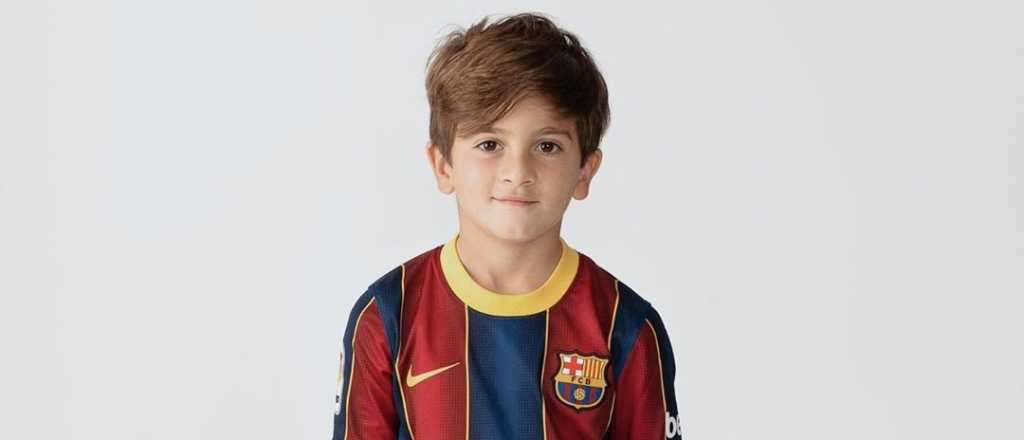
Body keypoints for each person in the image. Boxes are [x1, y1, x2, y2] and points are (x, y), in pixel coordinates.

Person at [332, 12, 682, 440]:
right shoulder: (387, 314)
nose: (518, 171)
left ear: (584, 171)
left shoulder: (625, 325)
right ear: (443, 165)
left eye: (547, 146)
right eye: (490, 144)